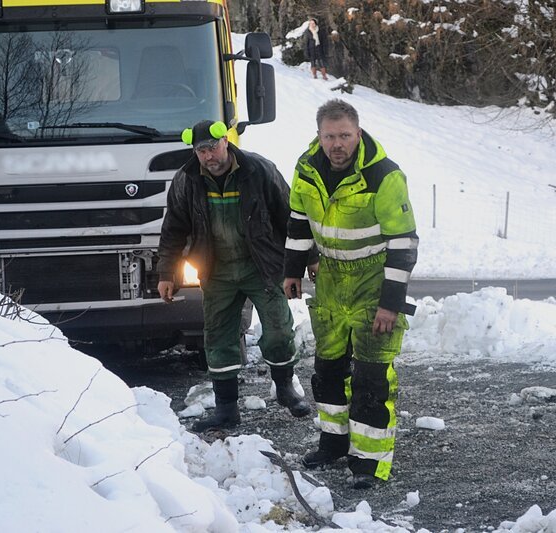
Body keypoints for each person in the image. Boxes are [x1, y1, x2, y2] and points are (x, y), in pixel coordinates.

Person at [283, 99, 418, 489]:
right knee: (327, 372)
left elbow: (404, 242)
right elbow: (297, 221)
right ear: (319, 136)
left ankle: (370, 463)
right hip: (329, 283)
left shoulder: (384, 175)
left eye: (344, 135)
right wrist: (292, 271)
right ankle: (333, 443)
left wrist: (390, 303)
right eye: (330, 136)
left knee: (372, 378)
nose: (337, 144)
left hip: (373, 283)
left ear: (358, 134)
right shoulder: (306, 170)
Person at [158, 119, 311, 432]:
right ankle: (227, 409)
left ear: (225, 142)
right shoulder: (187, 180)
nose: (208, 156)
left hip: (262, 266)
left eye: (212, 147)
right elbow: (174, 229)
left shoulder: (260, 171)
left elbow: (291, 217)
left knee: (279, 330)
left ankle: (285, 389)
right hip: (218, 270)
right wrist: (167, 273)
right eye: (201, 151)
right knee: (218, 337)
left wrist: (307, 259)